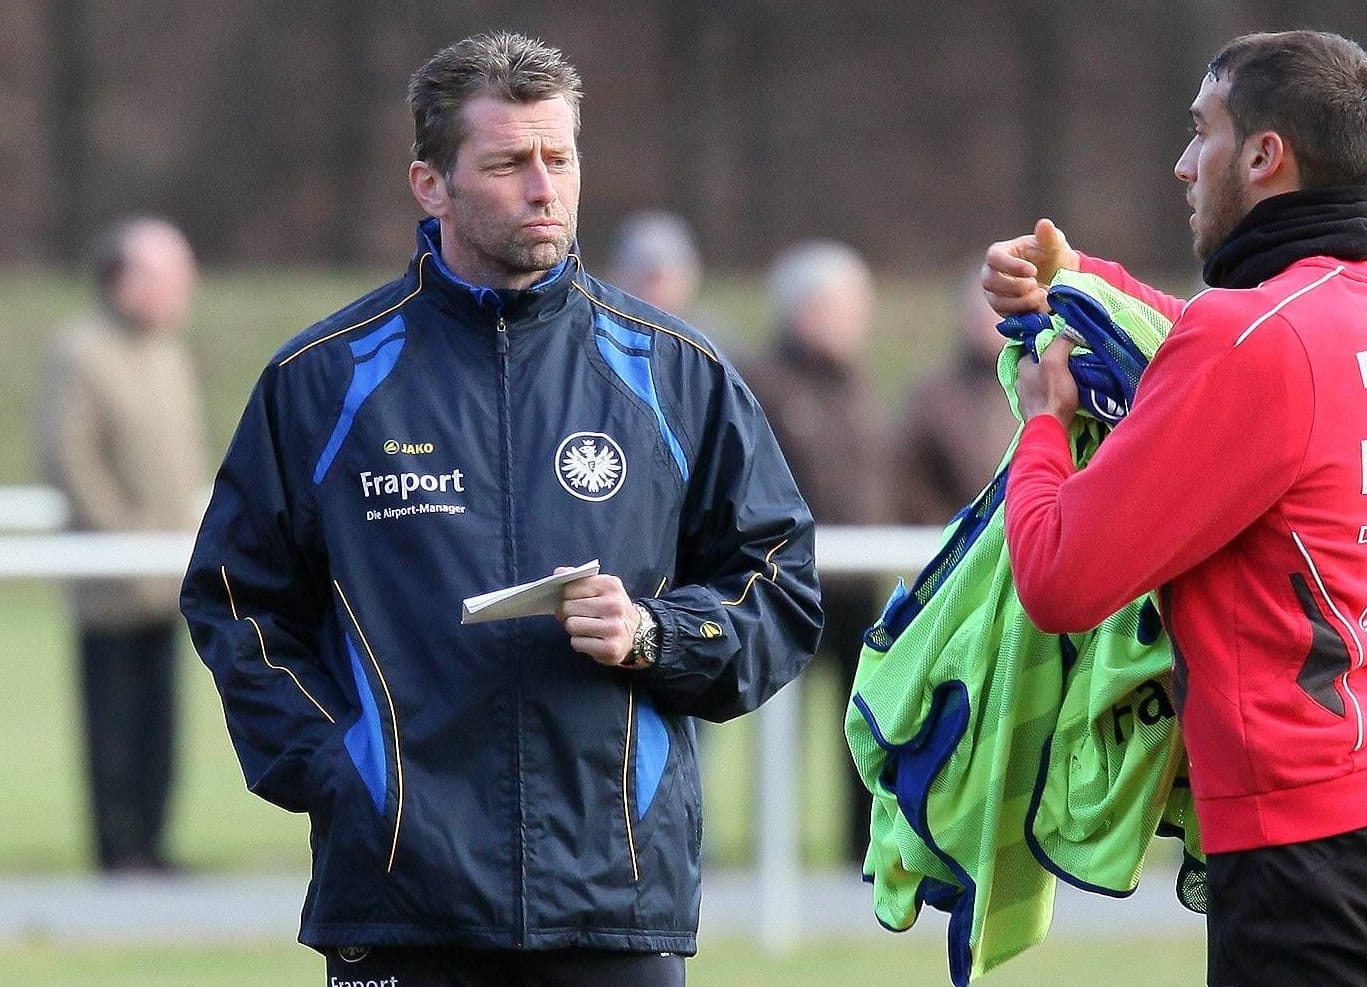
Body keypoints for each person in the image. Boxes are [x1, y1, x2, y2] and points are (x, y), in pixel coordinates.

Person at [180, 31, 820, 987]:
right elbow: (236, 599)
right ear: (430, 184)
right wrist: (343, 770)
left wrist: (657, 633)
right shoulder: (322, 380)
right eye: (509, 162)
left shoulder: (672, 372)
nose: (543, 188)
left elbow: (782, 583)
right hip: (402, 899)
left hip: (613, 901)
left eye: (558, 158)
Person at [983, 31, 1367, 987]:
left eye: (1200, 132)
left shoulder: (1253, 340)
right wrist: (1086, 284)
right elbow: (1236, 362)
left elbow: (1058, 576)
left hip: (1310, 845)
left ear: (1263, 155)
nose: (1181, 164)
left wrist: (1046, 428)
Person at [35, 216, 207, 876]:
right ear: (124, 279)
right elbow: (72, 460)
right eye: (168, 277)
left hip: (169, 576)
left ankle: (154, 843)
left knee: (163, 720)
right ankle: (117, 847)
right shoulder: (81, 352)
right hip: (112, 583)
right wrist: (124, 543)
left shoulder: (169, 353)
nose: (180, 291)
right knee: (112, 716)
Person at [737, 240, 890, 865]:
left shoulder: (859, 387)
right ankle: (773, 857)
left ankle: (863, 852)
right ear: (806, 310)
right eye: (845, 307)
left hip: (860, 589)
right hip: (786, 585)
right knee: (780, 729)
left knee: (866, 726)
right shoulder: (762, 385)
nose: (858, 322)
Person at [892, 268, 1017, 525]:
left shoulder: (1039, 390)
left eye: (1000, 311)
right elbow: (908, 486)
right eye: (980, 312)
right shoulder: (932, 399)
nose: (991, 322)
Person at [606, 210, 705, 322]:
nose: (654, 291)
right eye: (647, 279)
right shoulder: (597, 333)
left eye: (661, 279)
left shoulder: (705, 336)